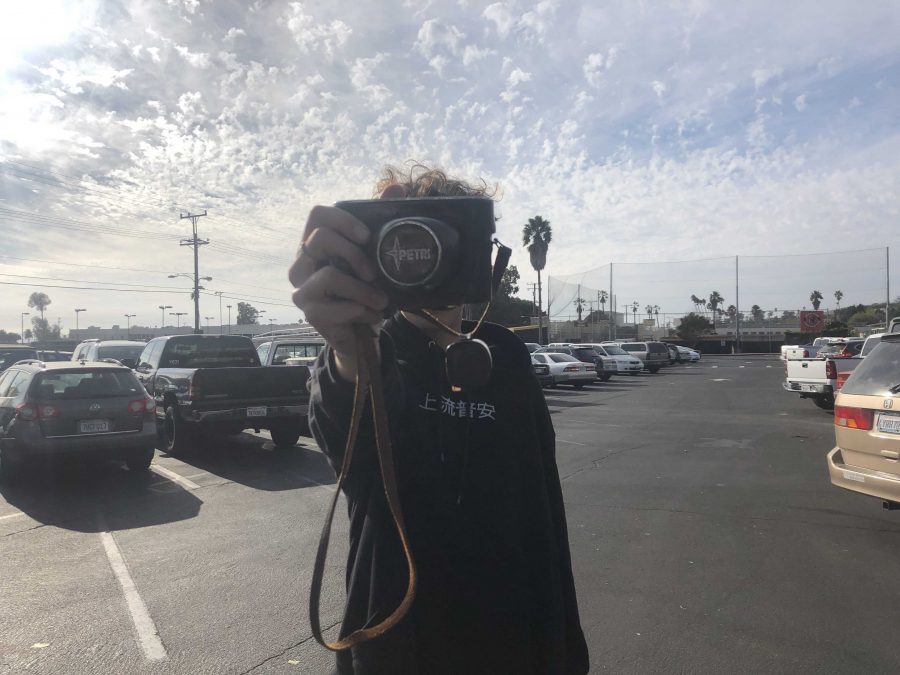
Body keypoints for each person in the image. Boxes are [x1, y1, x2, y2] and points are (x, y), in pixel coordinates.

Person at [289, 164, 589, 675]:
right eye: (415, 242)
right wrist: (349, 348)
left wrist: (564, 649)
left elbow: (541, 503)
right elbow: (352, 447)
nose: (435, 261)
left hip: (516, 641)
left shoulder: (507, 354)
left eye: (458, 242)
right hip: (402, 645)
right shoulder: (369, 350)